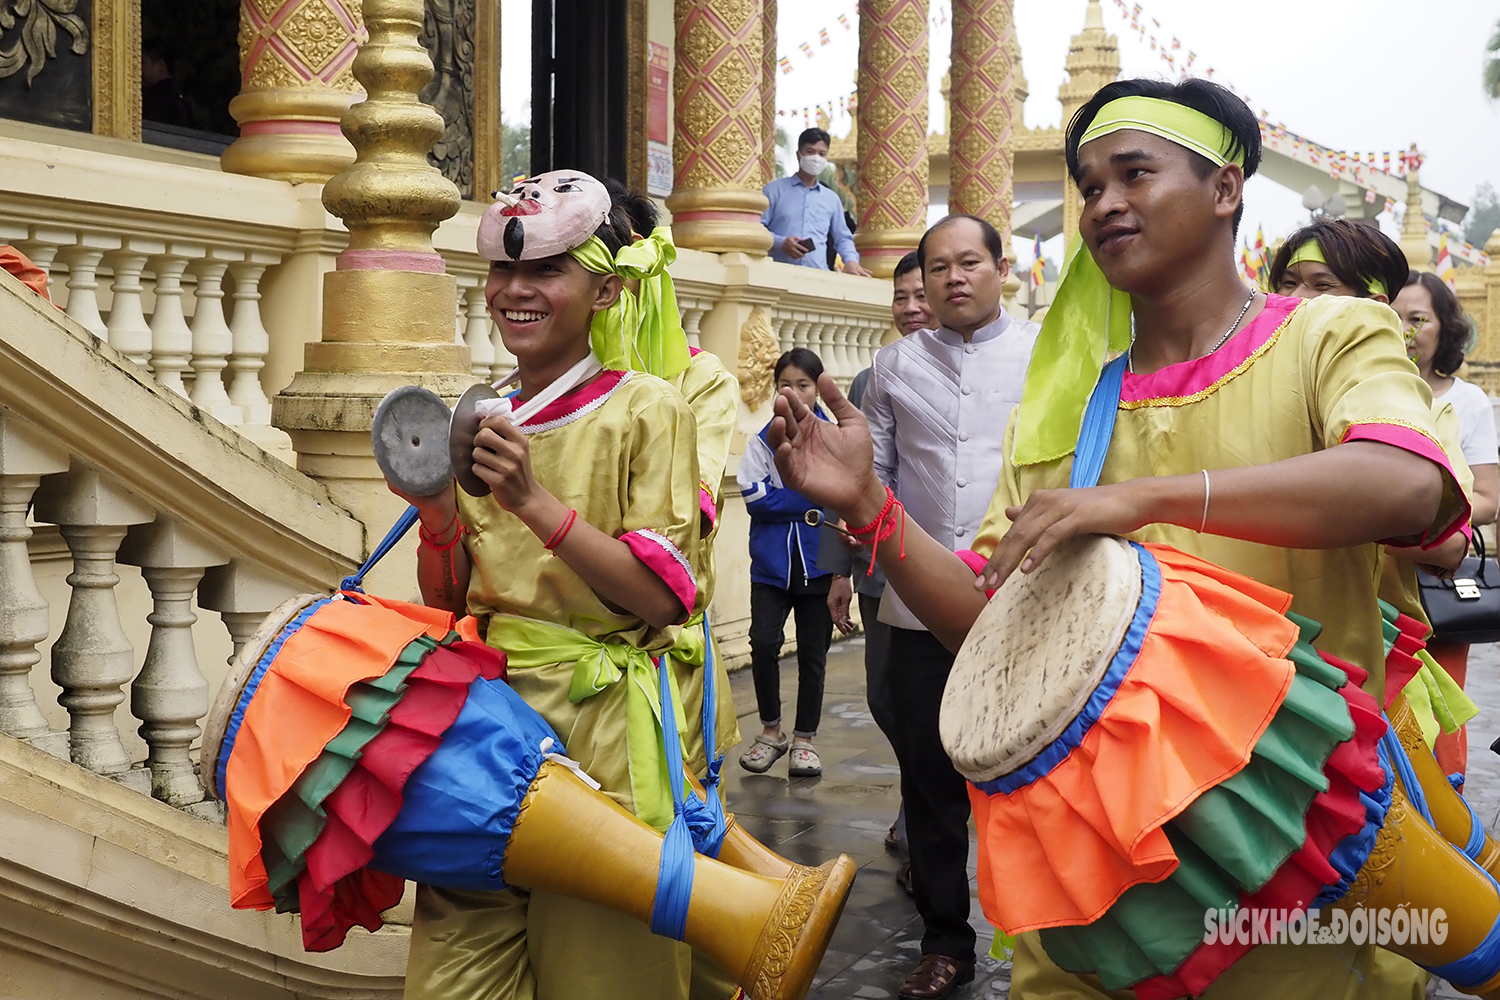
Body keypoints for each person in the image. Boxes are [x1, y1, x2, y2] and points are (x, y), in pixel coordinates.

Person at [763, 77, 1465, 1000]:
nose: (1104, 204)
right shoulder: (1075, 404)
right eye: (1089, 185)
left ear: (1225, 189)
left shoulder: (1329, 334)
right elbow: (989, 626)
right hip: (1093, 889)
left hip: (1284, 858)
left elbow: (1409, 483)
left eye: (1135, 173)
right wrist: (870, 509)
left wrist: (1137, 499)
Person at [388, 170, 703, 1000]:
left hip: (602, 730)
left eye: (546, 272)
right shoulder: (483, 414)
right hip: (484, 732)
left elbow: (664, 599)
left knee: (605, 975)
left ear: (604, 290)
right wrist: (436, 514)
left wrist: (530, 501)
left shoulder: (648, 409)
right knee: (453, 979)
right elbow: (452, 600)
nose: (515, 292)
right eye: (502, 272)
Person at [861, 218, 1040, 999]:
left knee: (1041, 777)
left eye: (970, 263)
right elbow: (874, 477)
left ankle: (1052, 938)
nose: (954, 278)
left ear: (1002, 268)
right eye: (939, 268)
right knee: (928, 786)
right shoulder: (893, 367)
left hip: (1028, 603)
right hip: (916, 608)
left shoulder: (1046, 357)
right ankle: (945, 943)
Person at [1267, 219, 1478, 760]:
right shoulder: (1248, 388)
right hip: (1255, 651)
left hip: (1361, 662)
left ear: (1371, 304)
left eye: (1321, 285)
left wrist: (1320, 518)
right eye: (1287, 283)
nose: (1297, 299)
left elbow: (1451, 544)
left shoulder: (1414, 409)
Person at [822, 249, 934, 893]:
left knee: (931, 704)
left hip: (952, 571)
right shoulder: (870, 381)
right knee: (886, 698)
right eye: (902, 297)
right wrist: (840, 570)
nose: (913, 308)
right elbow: (849, 483)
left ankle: (925, 825)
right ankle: (918, 798)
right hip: (878, 570)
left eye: (923, 294)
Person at [1396, 270, 1499, 785]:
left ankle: (1448, 822)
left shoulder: (1468, 401)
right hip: (1368, 581)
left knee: (1439, 719)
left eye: (1418, 319)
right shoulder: (1364, 389)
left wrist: (1425, 517)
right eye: (1394, 319)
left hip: (1436, 579)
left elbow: (1486, 499)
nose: (1406, 332)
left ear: (1446, 329)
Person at [738, 347, 836, 778]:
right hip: (771, 569)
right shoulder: (761, 440)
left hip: (819, 564)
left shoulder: (833, 440)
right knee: (763, 643)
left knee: (814, 656)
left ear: (817, 389)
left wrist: (800, 500)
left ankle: (805, 741)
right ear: (775, 390)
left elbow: (838, 498)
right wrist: (810, 499)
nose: (794, 393)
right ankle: (772, 731)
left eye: (803, 384)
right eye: (785, 384)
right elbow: (754, 498)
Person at [761, 127, 873, 277]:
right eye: (810, 152)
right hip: (777, 275)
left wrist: (851, 260)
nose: (816, 158)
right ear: (798, 155)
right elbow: (757, 228)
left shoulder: (831, 199)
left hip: (818, 277)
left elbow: (843, 238)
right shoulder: (773, 191)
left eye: (821, 154)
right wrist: (781, 243)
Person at [141, 40, 196, 129]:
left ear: (160, 66)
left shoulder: (158, 98)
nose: (137, 68)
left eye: (143, 63)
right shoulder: (177, 95)